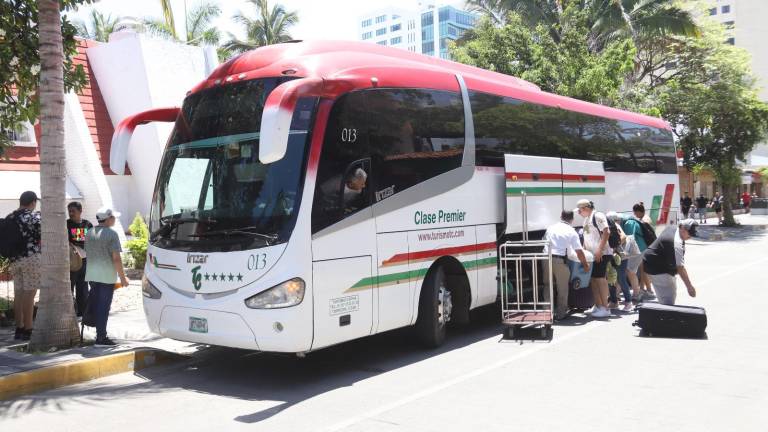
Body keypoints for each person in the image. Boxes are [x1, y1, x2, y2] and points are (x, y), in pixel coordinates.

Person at [84, 207, 129, 346]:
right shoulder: (112, 234)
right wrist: (123, 278)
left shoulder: (89, 232)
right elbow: (116, 258)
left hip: (92, 274)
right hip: (106, 275)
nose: (115, 219)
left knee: (97, 304)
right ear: (108, 218)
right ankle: (101, 337)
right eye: (113, 217)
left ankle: (100, 334)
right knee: (103, 306)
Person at [543, 210, 590, 320]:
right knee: (562, 288)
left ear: (561, 217)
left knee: (547, 285)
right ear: (572, 219)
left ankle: (546, 313)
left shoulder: (551, 227)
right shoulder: (571, 231)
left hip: (545, 258)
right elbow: (579, 251)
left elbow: (544, 241)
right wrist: (585, 264)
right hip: (559, 260)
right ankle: (560, 314)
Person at [7, 191, 42, 341]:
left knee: (19, 293)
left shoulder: (11, 217)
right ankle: (28, 329)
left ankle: (19, 328)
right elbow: (43, 234)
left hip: (15, 259)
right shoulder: (34, 216)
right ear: (33, 202)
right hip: (31, 257)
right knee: (30, 293)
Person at [642, 219, 698, 305]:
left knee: (671, 290)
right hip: (657, 267)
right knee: (667, 299)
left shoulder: (674, 228)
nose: (690, 237)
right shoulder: (676, 243)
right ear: (682, 228)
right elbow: (680, 268)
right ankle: (665, 315)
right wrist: (689, 287)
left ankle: (665, 310)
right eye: (690, 233)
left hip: (653, 261)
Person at [575, 199, 612, 318]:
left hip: (602, 253)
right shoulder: (586, 219)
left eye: (580, 211)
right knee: (593, 280)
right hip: (592, 255)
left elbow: (606, 232)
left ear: (585, 208)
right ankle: (598, 305)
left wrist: (599, 250)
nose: (579, 213)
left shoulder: (598, 215)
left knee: (600, 279)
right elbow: (586, 238)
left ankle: (606, 308)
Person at [624, 203, 656, 301]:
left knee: (644, 270)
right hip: (647, 247)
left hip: (646, 247)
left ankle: (649, 290)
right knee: (642, 269)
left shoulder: (645, 220)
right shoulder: (645, 218)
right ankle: (643, 289)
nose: (634, 215)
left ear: (638, 211)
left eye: (635, 212)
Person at [67, 201, 93, 317]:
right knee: (70, 286)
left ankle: (83, 311)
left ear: (80, 211)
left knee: (83, 286)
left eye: (74, 211)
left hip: (85, 260)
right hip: (72, 260)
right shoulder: (66, 224)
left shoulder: (88, 224)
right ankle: (70, 310)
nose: (71, 213)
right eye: (69, 211)